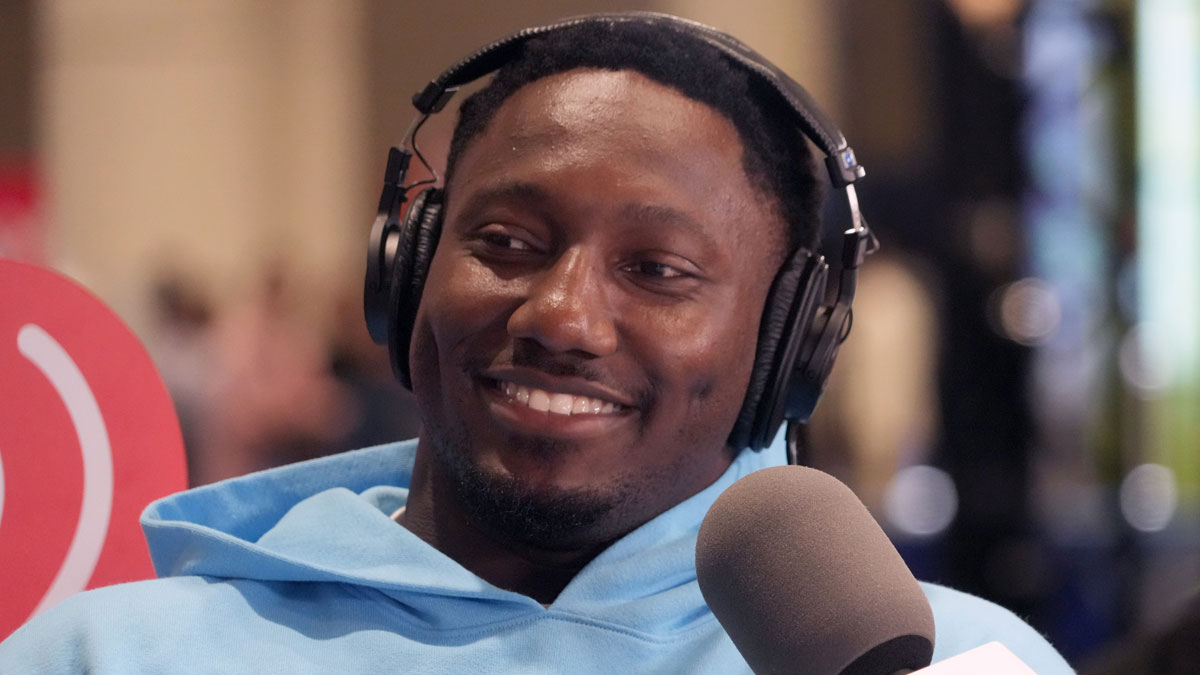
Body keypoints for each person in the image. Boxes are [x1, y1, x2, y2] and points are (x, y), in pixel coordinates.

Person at [0, 14, 1074, 673]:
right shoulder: (104, 657)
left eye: (658, 270)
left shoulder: (950, 663)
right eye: (507, 242)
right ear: (409, 271)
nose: (561, 315)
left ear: (788, 345)